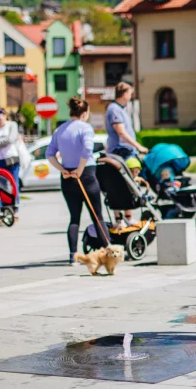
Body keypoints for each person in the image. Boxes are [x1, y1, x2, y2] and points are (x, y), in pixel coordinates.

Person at [47, 98, 106, 266]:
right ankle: (106, 251)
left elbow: (49, 154)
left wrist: (62, 169)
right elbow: (88, 149)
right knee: (97, 216)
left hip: (67, 176)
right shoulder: (85, 128)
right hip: (86, 174)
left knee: (74, 218)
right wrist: (80, 168)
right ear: (85, 113)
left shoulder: (60, 129)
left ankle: (73, 255)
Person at [0, 108, 21, 215]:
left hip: (11, 158)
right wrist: (1, 142)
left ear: (5, 115)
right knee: (2, 185)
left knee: (13, 183)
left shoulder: (12, 125)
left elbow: (11, 139)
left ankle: (15, 208)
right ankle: (6, 209)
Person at [105, 82, 147, 159]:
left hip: (125, 151)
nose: (131, 97)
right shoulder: (114, 109)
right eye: (130, 94)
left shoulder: (120, 109)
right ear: (125, 94)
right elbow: (121, 133)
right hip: (120, 152)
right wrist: (139, 147)